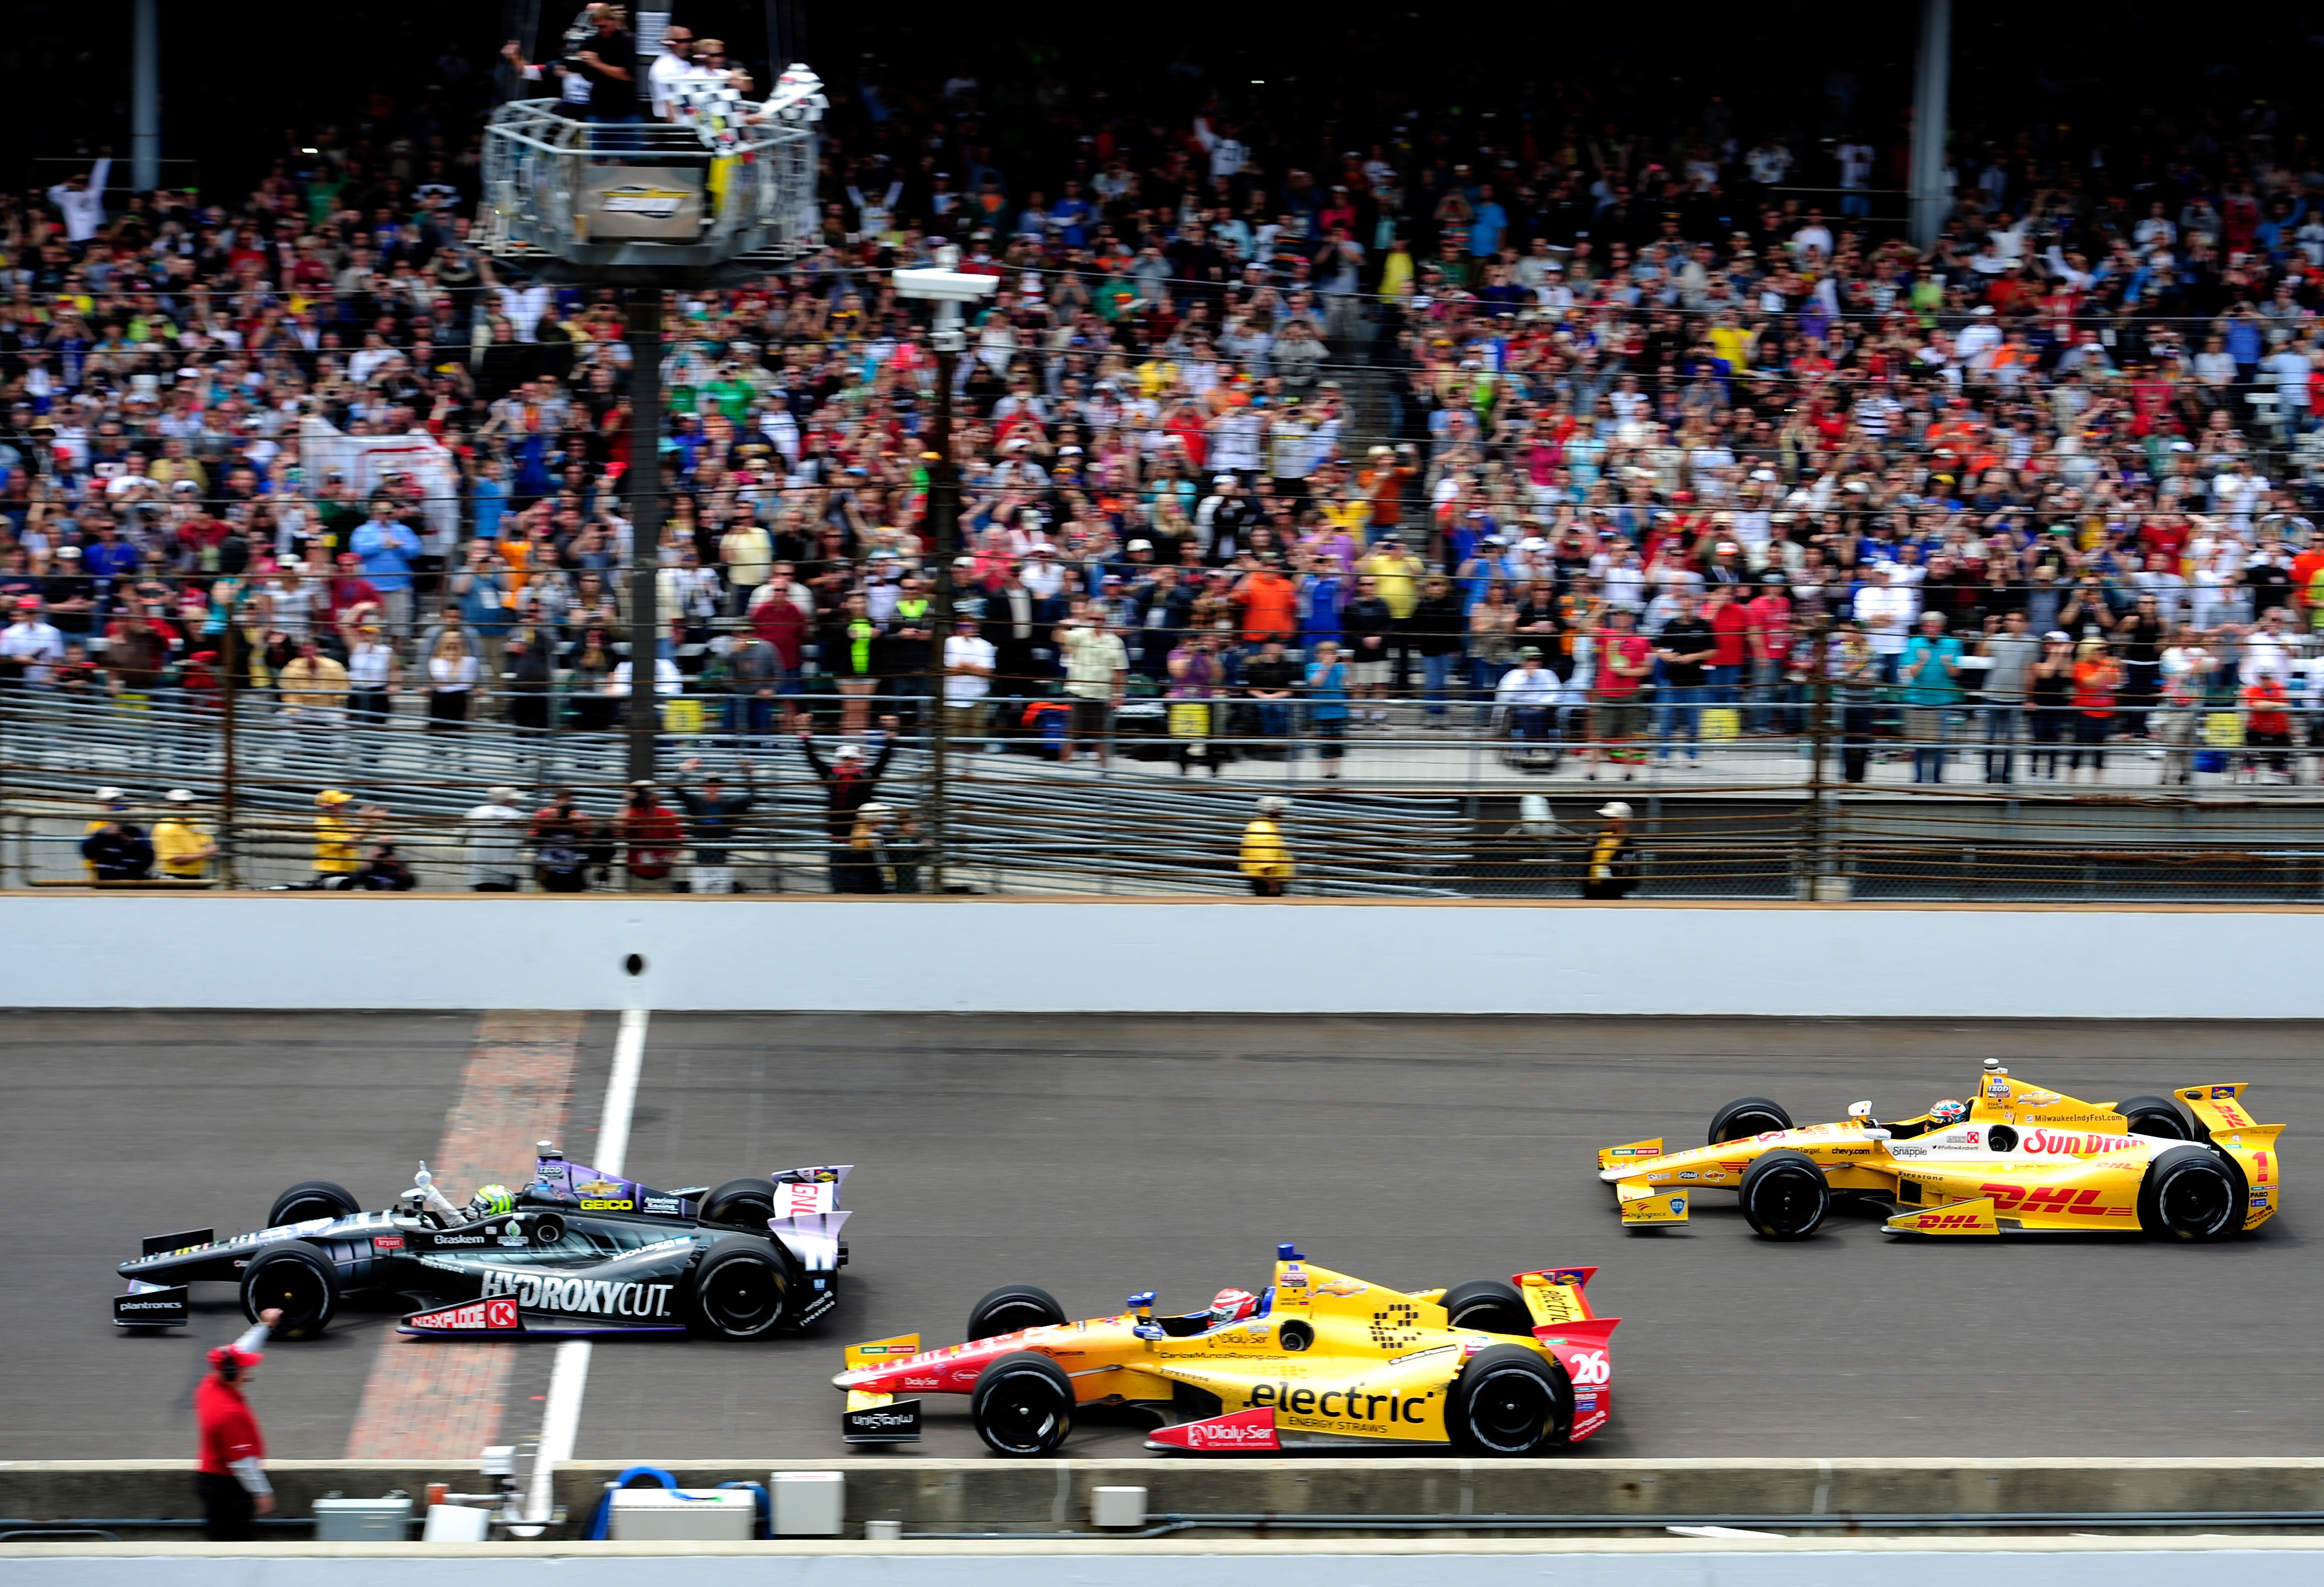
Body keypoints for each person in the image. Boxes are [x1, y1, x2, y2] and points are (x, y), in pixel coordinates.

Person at [195, 1309, 282, 1541]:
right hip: (227, 1488)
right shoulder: (228, 1413)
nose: (248, 1371)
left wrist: (265, 1326)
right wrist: (263, 1493)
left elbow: (241, 1349)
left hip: (215, 1482)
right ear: (232, 1373)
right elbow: (243, 1465)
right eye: (245, 1369)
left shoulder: (210, 1384)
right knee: (233, 1544)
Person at [800, 720, 898, 892]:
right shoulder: (833, 776)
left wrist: (890, 738)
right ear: (840, 761)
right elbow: (813, 760)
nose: (848, 763)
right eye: (845, 759)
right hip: (838, 838)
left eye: (851, 759)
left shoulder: (865, 776)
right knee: (838, 878)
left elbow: (884, 760)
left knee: (863, 877)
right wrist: (805, 738)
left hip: (861, 838)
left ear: (857, 761)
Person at [674, 757, 759, 892]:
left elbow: (752, 798)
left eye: (716, 785)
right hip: (701, 864)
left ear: (721, 788)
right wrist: (686, 769)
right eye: (709, 785)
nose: (712, 789)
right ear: (704, 787)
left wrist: (748, 774)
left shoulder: (729, 806)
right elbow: (677, 789)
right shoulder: (696, 804)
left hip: (721, 864)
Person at [1899, 611, 1963, 784]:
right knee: (1919, 744)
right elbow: (1909, 674)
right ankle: (1919, 780)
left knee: (1941, 744)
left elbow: (1957, 673)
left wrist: (1948, 663)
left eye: (1934, 625)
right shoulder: (1914, 642)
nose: (1930, 629)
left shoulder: (1953, 643)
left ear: (1941, 627)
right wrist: (1922, 661)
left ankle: (1938, 779)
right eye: (1927, 626)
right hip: (1916, 698)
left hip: (1943, 700)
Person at [1058, 612, 1128, 767]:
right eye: (1093, 618)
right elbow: (1060, 639)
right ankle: (1063, 771)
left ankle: (1104, 773)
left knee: (1101, 736)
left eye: (1100, 619)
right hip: (1078, 692)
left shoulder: (1115, 642)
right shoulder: (1079, 635)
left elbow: (1120, 671)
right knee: (1071, 734)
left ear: (1105, 621)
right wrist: (1062, 626)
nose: (1097, 622)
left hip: (1102, 694)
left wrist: (1118, 694)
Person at [943, 615, 997, 767]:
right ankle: (943, 769)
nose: (967, 630)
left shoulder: (985, 645)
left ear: (977, 627)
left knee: (972, 738)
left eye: (970, 626)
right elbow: (948, 670)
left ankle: (967, 769)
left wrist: (964, 665)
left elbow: (988, 672)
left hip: (977, 696)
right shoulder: (949, 643)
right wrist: (974, 668)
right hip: (953, 696)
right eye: (963, 626)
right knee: (949, 737)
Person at [1495, 645, 1561, 769]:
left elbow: (1556, 693)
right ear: (1523, 661)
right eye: (1530, 659)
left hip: (1543, 707)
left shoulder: (1548, 674)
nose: (1534, 662)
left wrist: (1543, 705)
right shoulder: (1513, 675)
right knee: (1528, 714)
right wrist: (1525, 678)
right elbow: (1506, 693)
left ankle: (1540, 749)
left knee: (1537, 714)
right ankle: (1531, 750)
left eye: (1536, 659)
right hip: (1520, 707)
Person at [618, 779, 683, 891]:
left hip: (661, 878)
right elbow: (619, 830)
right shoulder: (633, 813)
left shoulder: (667, 815)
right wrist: (629, 804)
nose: (647, 798)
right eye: (644, 794)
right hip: (637, 877)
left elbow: (679, 843)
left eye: (649, 794)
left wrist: (670, 858)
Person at [530, 788, 599, 892]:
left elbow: (587, 840)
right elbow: (533, 837)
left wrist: (574, 823)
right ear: (554, 803)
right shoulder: (544, 816)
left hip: (572, 870)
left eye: (566, 805)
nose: (563, 810)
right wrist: (551, 821)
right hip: (548, 868)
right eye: (560, 806)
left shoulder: (580, 818)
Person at [464, 786, 528, 891]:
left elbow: (459, 838)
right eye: (515, 800)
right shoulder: (518, 816)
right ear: (508, 801)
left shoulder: (476, 813)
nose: (517, 803)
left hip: (478, 872)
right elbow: (525, 839)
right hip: (506, 872)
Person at [1304, 639, 1351, 779]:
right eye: (1325, 653)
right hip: (1322, 712)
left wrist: (1349, 668)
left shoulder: (1341, 668)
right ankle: (1324, 773)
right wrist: (1325, 667)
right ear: (1318, 654)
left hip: (1339, 711)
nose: (1328, 656)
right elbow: (1315, 683)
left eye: (1331, 653)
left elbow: (1347, 685)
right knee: (1324, 745)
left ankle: (1335, 773)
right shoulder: (1311, 667)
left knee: (1338, 745)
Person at [312, 791, 380, 887]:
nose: (344, 806)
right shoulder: (324, 824)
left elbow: (357, 839)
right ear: (330, 806)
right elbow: (349, 843)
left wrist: (369, 824)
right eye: (340, 804)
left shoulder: (341, 823)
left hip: (346, 873)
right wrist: (367, 824)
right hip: (332, 875)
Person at [154, 789, 219, 882]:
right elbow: (176, 860)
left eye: (188, 804)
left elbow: (206, 841)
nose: (185, 807)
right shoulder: (166, 828)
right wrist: (204, 854)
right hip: (173, 878)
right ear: (171, 806)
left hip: (195, 875)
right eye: (181, 804)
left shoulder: (193, 821)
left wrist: (208, 849)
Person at [1582, 800, 1640, 900]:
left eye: (1611, 818)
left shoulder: (1629, 847)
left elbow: (1631, 880)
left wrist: (1611, 878)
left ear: (1623, 820)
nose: (1606, 821)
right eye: (1606, 818)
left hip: (1613, 896)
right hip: (1590, 894)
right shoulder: (1596, 838)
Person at [1239, 795, 1294, 897]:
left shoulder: (1261, 826)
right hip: (1268, 882)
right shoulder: (1265, 830)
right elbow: (1266, 862)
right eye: (1280, 809)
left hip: (1265, 880)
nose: (1283, 813)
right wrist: (1273, 886)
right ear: (1274, 811)